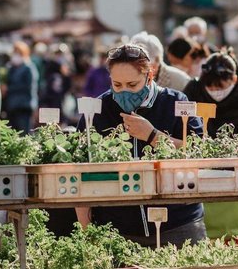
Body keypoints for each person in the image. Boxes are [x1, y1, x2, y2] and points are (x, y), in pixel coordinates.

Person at [74, 44, 205, 247]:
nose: (124, 91)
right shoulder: (97, 111)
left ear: (149, 77)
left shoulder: (175, 102)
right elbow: (80, 171)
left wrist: (152, 135)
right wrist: (86, 231)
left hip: (178, 224)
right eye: (117, 85)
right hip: (117, 228)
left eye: (132, 84)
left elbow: (200, 153)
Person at [182, 52, 238, 239]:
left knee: (237, 226)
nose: (215, 90)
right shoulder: (193, 90)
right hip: (199, 168)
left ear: (234, 79)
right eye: (209, 86)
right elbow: (181, 124)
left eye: (220, 86)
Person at [4, 41, 38, 134]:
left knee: (25, 134)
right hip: (12, 107)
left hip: (24, 107)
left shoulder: (28, 68)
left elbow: (28, 86)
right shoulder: (11, 68)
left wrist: (9, 88)